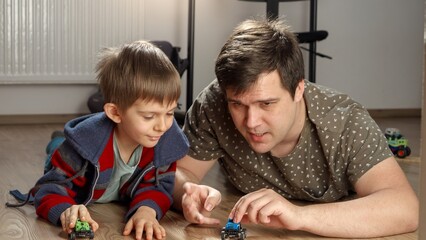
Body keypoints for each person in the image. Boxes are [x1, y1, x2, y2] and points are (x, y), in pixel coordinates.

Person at [172, 18, 419, 238]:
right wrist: (187, 191)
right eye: (237, 104)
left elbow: (404, 208)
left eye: (266, 103)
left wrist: (299, 216)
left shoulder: (346, 123)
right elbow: (179, 173)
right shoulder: (214, 103)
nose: (251, 122)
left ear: (299, 89)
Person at [8, 40, 189, 240]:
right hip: (75, 150)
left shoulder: (162, 140)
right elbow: (48, 189)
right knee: (58, 148)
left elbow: (159, 186)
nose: (162, 126)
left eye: (170, 113)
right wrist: (65, 211)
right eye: (149, 116)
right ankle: (57, 141)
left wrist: (146, 210)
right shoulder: (80, 147)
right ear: (115, 112)